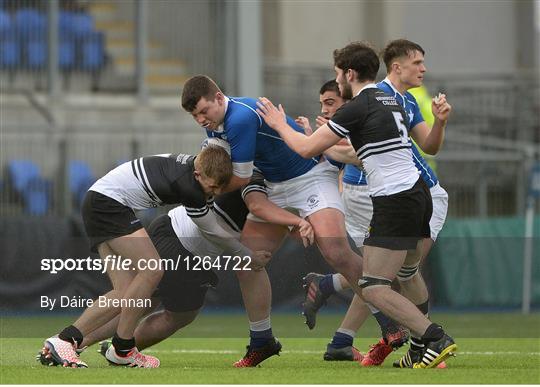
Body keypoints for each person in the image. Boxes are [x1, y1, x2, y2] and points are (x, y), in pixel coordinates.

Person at [256, 41, 457, 369]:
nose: (336, 81)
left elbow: (306, 149)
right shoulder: (390, 97)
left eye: (338, 74)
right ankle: (418, 348)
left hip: (396, 200)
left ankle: (433, 337)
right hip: (418, 193)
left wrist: (279, 123)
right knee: (405, 272)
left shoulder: (359, 105)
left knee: (374, 287)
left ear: (350, 73)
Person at [181, 75, 370, 367]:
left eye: (204, 111)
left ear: (219, 97)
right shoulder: (216, 128)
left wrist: (200, 191)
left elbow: (241, 178)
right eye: (195, 116)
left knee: (336, 252)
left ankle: (394, 326)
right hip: (274, 185)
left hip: (309, 178)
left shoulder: (240, 117)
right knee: (247, 263)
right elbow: (240, 178)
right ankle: (262, 341)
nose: (201, 119)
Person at [38, 168, 313, 366]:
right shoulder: (253, 170)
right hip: (179, 240)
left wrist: (291, 222)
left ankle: (97, 346)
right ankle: (72, 341)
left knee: (174, 312)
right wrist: (290, 225)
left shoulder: (274, 175)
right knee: (139, 299)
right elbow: (252, 208)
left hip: (185, 244)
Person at [295, 80, 409, 364]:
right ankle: (422, 341)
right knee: (382, 275)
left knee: (377, 273)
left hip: (383, 194)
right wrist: (309, 215)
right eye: (323, 103)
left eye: (330, 103)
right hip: (366, 197)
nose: (325, 110)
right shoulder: (363, 114)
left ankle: (341, 336)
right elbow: (333, 168)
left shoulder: (380, 106)